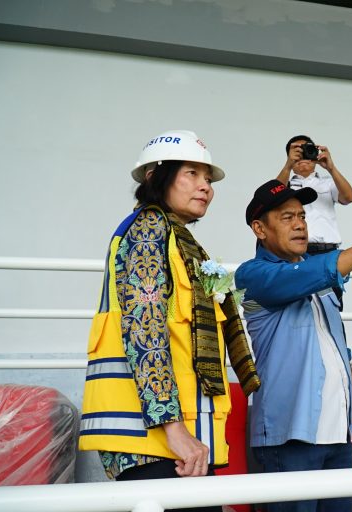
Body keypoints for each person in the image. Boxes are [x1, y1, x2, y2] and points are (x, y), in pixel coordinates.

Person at [79, 130, 259, 512]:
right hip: (152, 437)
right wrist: (173, 429)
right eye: (192, 173)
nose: (205, 187)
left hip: (176, 435)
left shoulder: (184, 242)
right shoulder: (148, 230)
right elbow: (144, 329)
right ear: (155, 176)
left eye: (208, 179)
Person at [236, 179, 352, 512]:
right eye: (286, 217)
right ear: (259, 229)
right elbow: (302, 277)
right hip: (291, 437)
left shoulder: (316, 277)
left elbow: (334, 340)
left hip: (337, 433)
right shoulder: (252, 275)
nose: (299, 224)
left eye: (302, 216)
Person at [276, 135, 352, 255]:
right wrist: (288, 166)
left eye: (307, 151)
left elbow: (349, 198)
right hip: (295, 253)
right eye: (298, 152)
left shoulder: (328, 182)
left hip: (328, 251)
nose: (303, 156)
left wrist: (331, 168)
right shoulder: (284, 184)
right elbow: (273, 199)